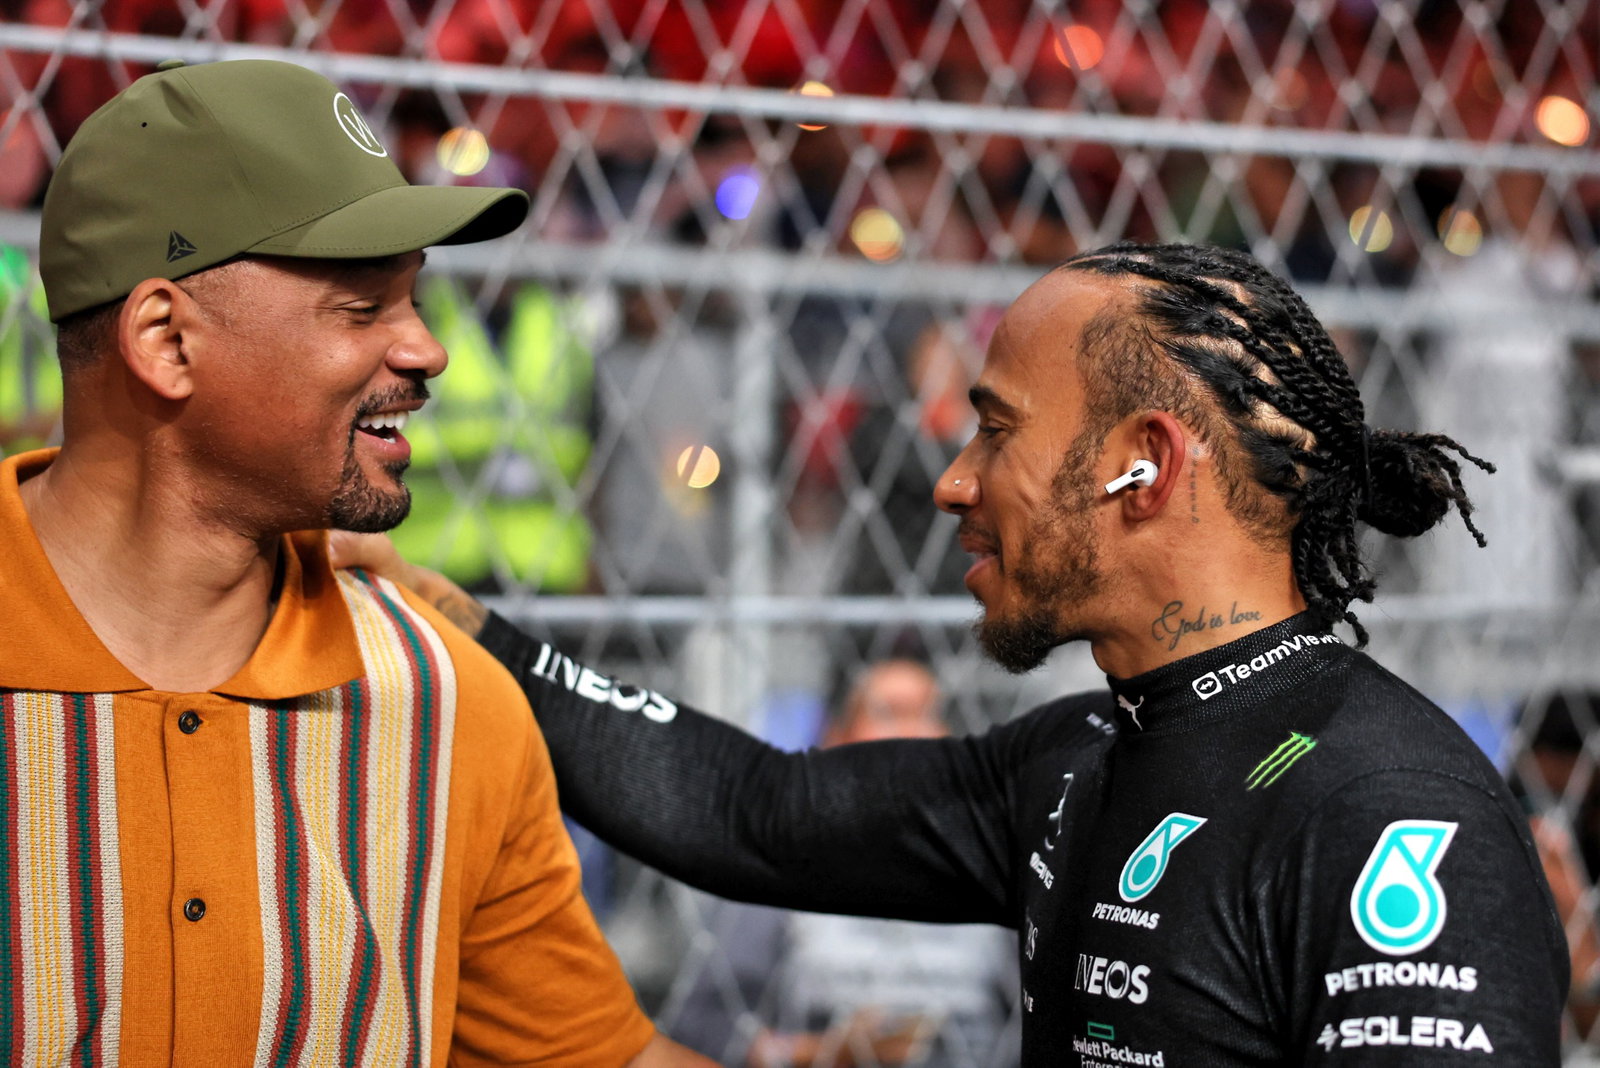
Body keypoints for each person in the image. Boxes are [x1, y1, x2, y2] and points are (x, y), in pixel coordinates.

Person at [336, 242, 1570, 1063]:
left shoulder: (1391, 818)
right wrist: (470, 628)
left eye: (994, 430)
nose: (951, 481)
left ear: (1144, 464)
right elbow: (751, 808)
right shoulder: (1080, 755)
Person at [3, 57, 710, 1066]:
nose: (428, 350)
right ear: (163, 340)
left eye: (414, 299)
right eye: (363, 307)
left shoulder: (453, 707)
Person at [667, 660, 1015, 1068]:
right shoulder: (777, 868)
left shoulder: (996, 867)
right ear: (836, 740)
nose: (912, 732)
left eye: (927, 713)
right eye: (886, 713)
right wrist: (820, 1053)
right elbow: (698, 1028)